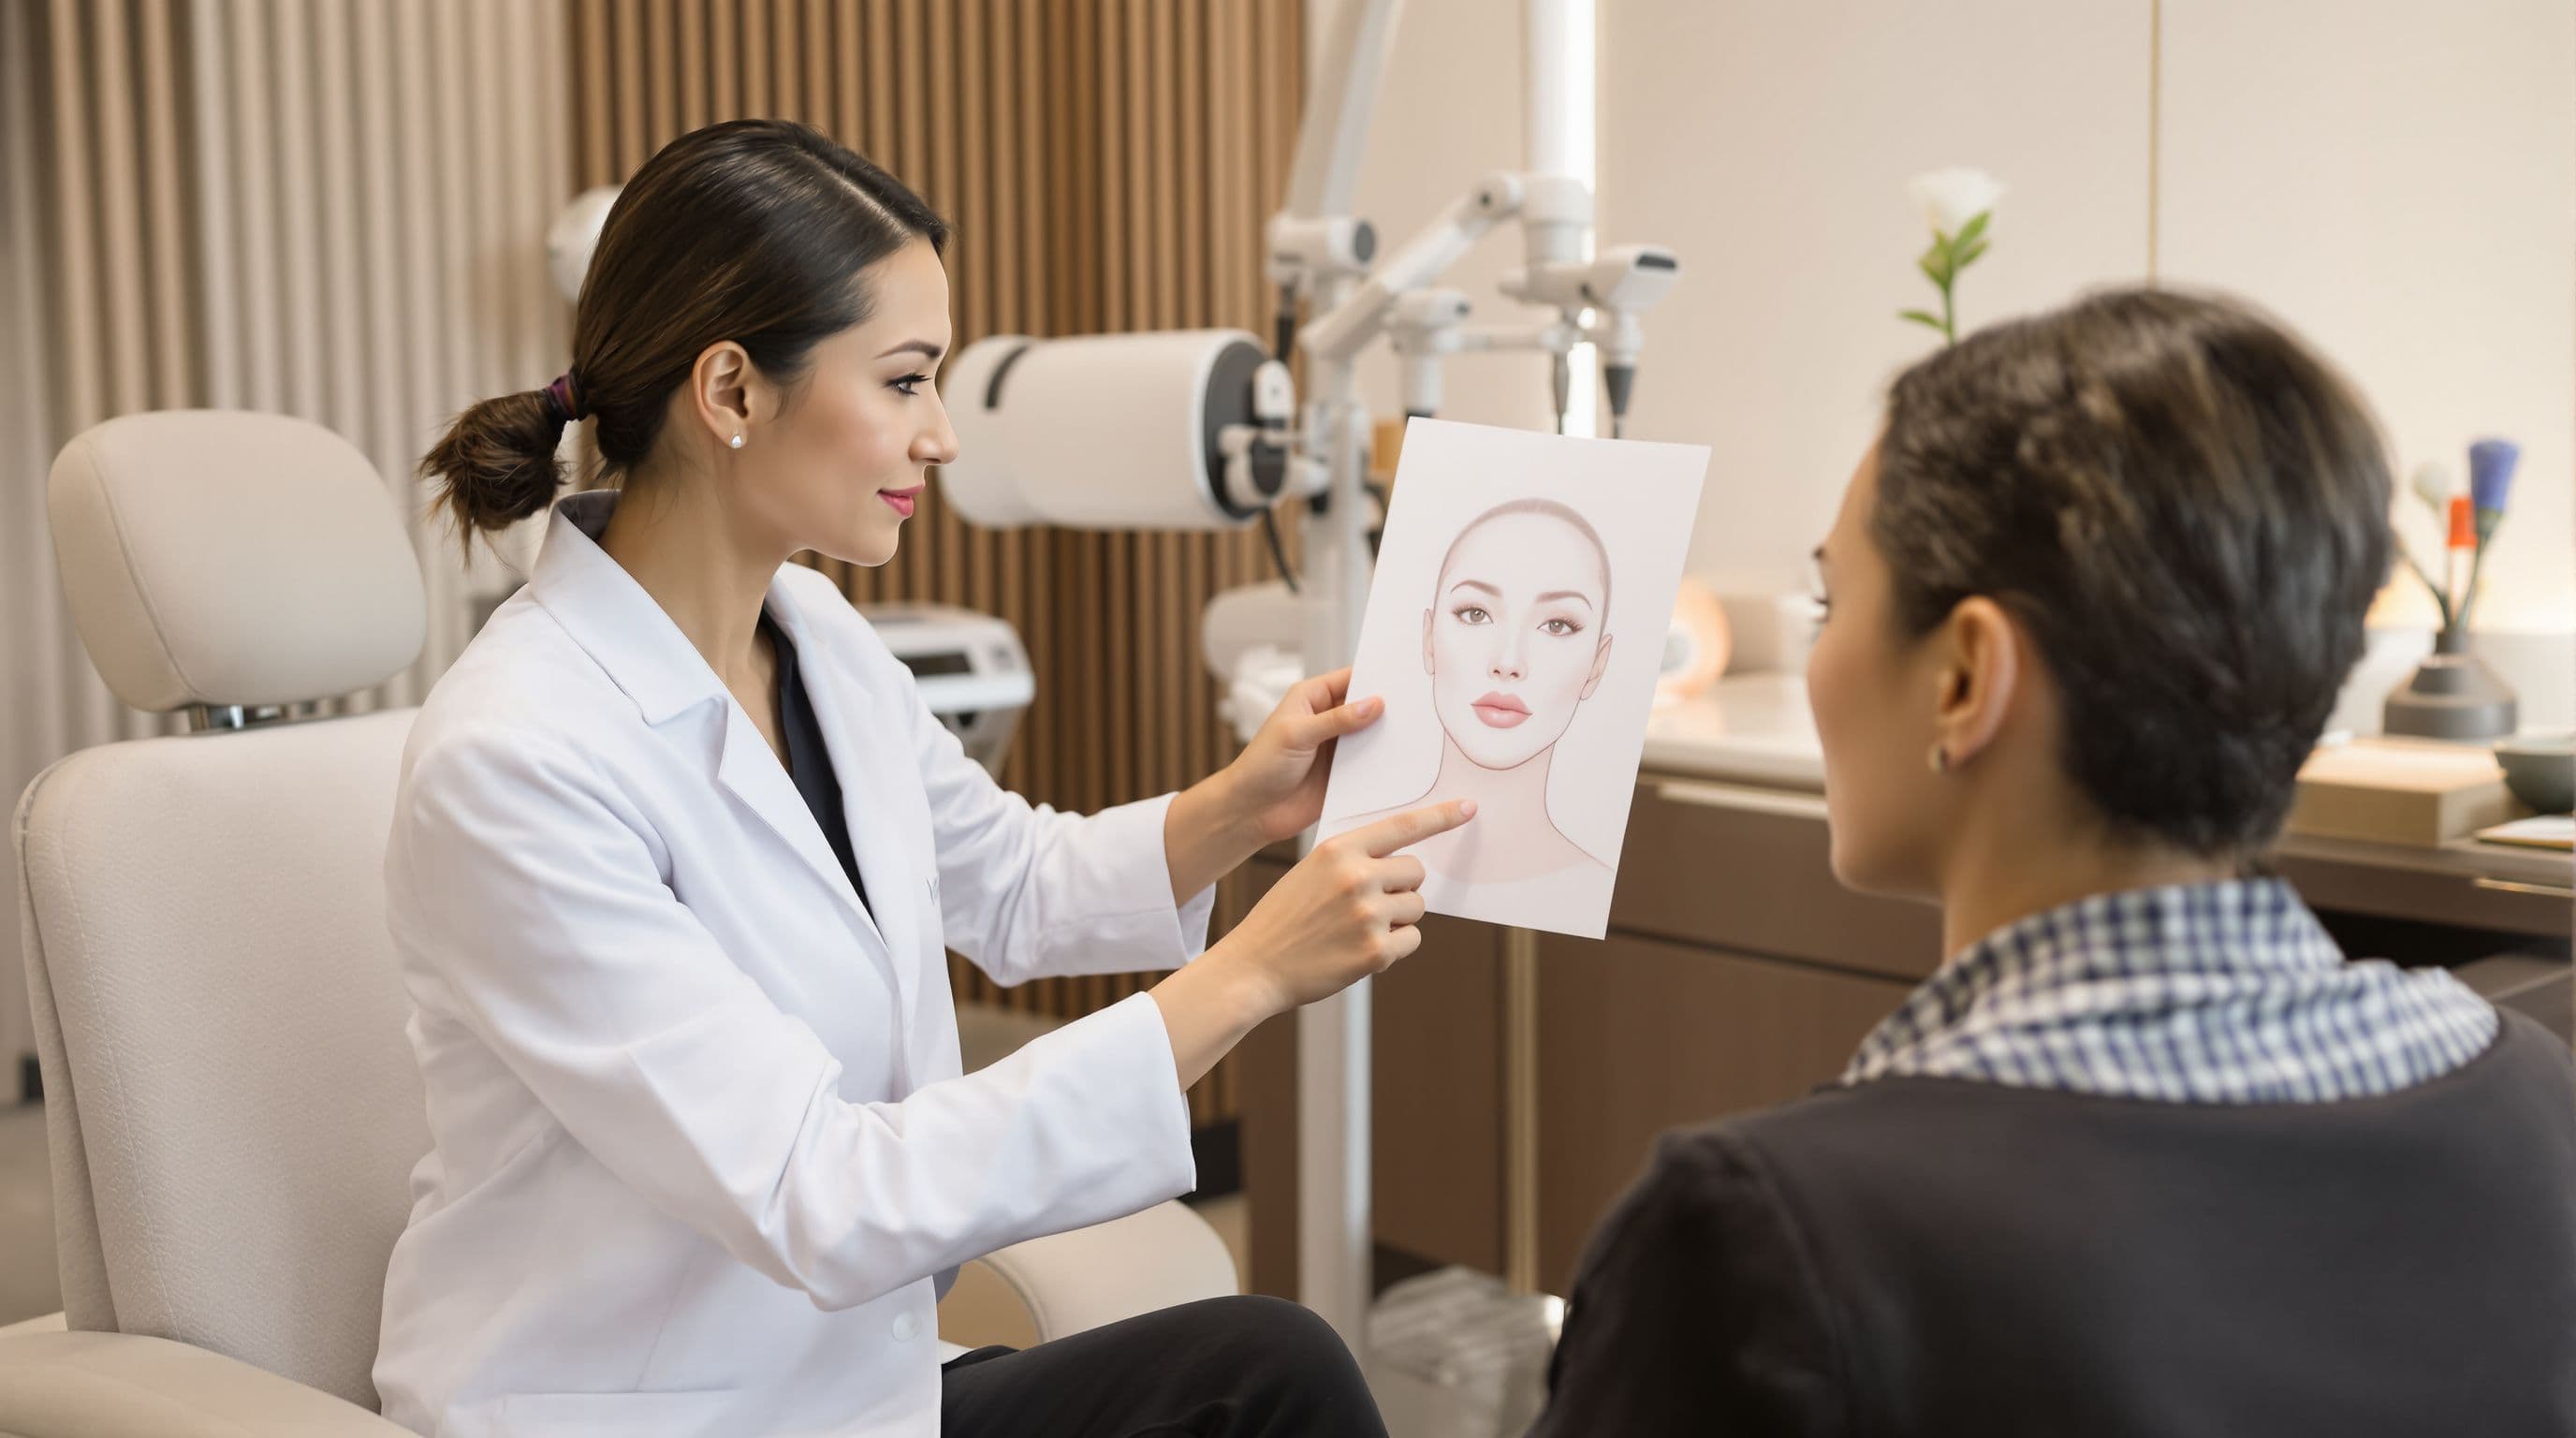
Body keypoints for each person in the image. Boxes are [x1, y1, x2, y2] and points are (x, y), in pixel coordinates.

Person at [377, 118, 1466, 1438]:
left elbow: (1010, 883)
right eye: (904, 381)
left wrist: (1241, 807)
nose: (941, 436)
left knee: (1269, 1372)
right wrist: (1244, 978)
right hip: (656, 1417)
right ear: (729, 393)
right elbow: (819, 1194)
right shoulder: (516, 760)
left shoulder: (817, 638)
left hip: (850, 1391)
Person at [1529, 287, 2576, 1435]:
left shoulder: (1761, 1243)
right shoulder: (2533, 1102)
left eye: (1834, 602)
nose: (1819, 660)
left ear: (1967, 677)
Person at [1336, 497, 1617, 917]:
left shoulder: (1592, 888)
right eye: (1475, 613)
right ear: (1429, 638)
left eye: (1557, 625)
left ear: (1597, 666)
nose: (1507, 662)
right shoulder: (1339, 852)